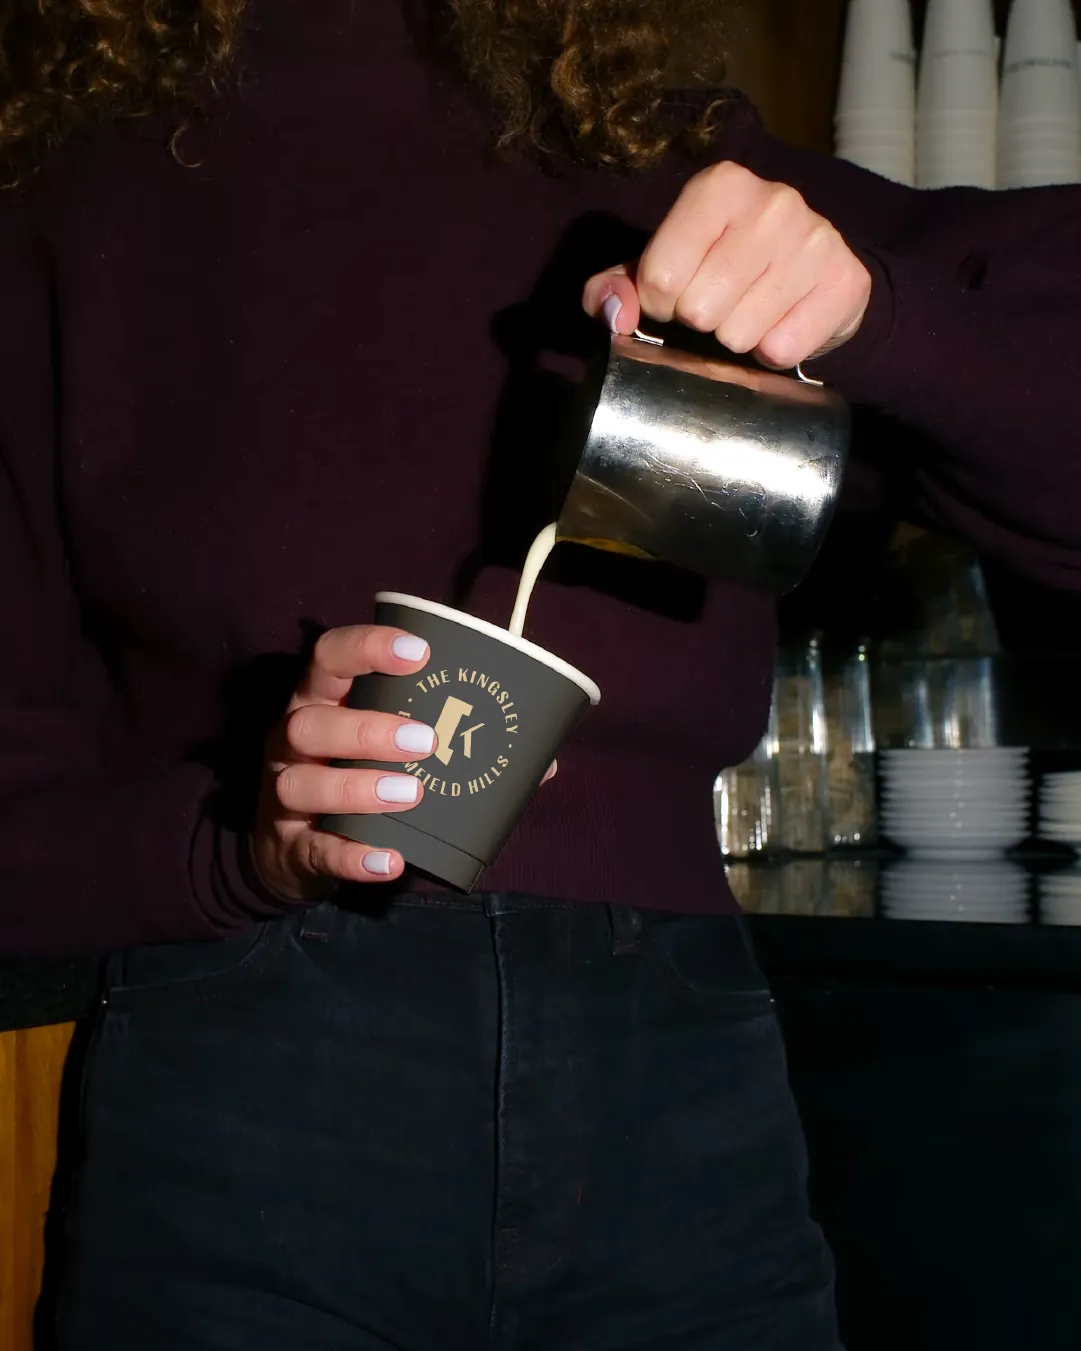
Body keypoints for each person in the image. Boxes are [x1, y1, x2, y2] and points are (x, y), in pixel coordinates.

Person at [1, 1, 1078, 1347]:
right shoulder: (64, 200)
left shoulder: (655, 150)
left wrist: (874, 312)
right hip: (243, 1101)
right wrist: (239, 839)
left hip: (684, 1095)